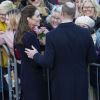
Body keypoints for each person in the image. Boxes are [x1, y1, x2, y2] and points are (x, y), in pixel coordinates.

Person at [25, 2, 97, 100]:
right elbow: (92, 57)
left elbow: (47, 62)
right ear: (74, 15)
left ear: (61, 14)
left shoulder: (52, 35)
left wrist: (35, 55)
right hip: (80, 84)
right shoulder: (85, 33)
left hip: (60, 85)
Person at [14, 5, 47, 100]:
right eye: (37, 16)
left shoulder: (19, 33)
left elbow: (41, 45)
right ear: (28, 18)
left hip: (26, 75)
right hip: (35, 78)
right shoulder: (30, 36)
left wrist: (39, 34)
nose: (40, 18)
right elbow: (36, 56)